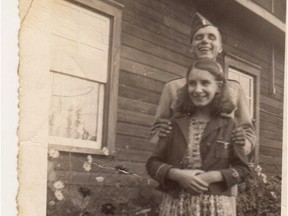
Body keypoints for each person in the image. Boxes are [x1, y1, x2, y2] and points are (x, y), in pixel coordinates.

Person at [146, 59, 250, 216]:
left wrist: (212, 177)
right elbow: (153, 164)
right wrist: (177, 175)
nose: (197, 89)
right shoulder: (173, 124)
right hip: (176, 205)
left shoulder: (230, 126)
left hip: (217, 208)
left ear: (218, 87)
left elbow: (242, 169)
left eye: (205, 83)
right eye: (192, 83)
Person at [151, 13, 256, 156]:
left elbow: (248, 132)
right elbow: (156, 133)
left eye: (211, 37)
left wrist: (242, 145)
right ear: (191, 47)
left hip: (222, 166)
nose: (205, 41)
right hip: (182, 166)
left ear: (220, 48)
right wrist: (162, 135)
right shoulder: (173, 87)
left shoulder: (234, 89)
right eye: (198, 37)